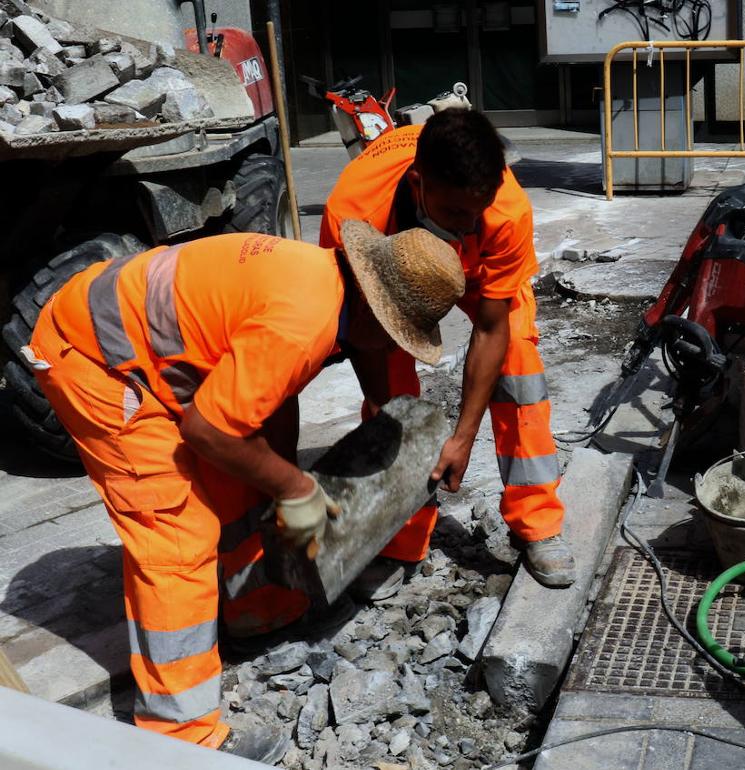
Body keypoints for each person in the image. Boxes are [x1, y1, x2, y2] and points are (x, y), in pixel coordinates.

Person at [21, 225, 464, 762]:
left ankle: (257, 613)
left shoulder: (321, 281)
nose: (393, 348)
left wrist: (278, 479)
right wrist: (296, 485)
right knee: (177, 536)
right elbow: (208, 433)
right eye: (397, 335)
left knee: (240, 485)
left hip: (136, 341)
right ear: (375, 312)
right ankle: (177, 736)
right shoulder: (304, 323)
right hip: (95, 358)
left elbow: (267, 410)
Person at [319, 108, 576, 590]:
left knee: (518, 356)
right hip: (392, 265)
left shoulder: (503, 211)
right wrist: (384, 413)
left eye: (478, 210)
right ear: (418, 184)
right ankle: (401, 537)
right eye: (458, 214)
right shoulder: (354, 211)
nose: (470, 222)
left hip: (478, 272)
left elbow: (491, 325)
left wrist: (461, 436)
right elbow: (363, 332)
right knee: (391, 392)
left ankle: (537, 520)